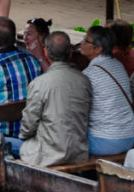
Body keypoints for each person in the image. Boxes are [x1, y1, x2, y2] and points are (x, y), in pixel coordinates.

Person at [18, 31, 92, 166]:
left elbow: (28, 126)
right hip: (79, 152)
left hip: (48, 155)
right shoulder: (84, 81)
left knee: (8, 143)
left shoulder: (39, 83)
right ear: (70, 52)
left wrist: (24, 137)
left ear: (45, 52)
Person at [80, 25, 134, 156]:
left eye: (86, 40)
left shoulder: (90, 74)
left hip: (105, 142)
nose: (81, 43)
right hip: (129, 137)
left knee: (69, 140)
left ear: (98, 49)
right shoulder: (118, 65)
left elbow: (80, 109)